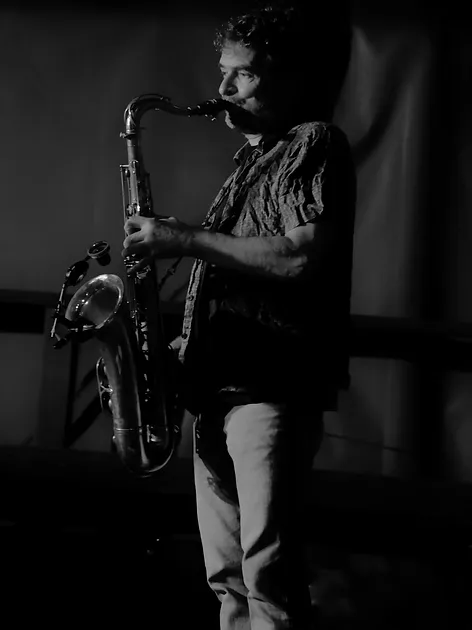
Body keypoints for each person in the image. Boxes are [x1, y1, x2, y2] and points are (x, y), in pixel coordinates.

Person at [122, 3, 355, 628]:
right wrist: (188, 343)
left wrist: (185, 239)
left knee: (267, 578)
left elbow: (298, 259)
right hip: (219, 387)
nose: (223, 89)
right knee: (227, 582)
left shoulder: (313, 142)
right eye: (223, 71)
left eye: (243, 74)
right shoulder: (252, 162)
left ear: (292, 79)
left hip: (269, 386)